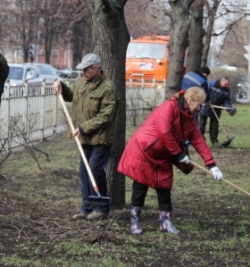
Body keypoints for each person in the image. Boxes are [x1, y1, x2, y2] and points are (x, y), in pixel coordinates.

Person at [117, 87, 223, 235]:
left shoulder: (188, 117)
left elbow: (198, 140)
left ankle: (165, 222)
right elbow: (164, 132)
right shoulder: (168, 108)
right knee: (140, 186)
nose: (199, 108)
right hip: (144, 151)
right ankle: (135, 221)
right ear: (190, 100)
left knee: (164, 186)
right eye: (198, 104)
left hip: (163, 154)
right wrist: (179, 154)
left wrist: (211, 164)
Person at [52, 53, 118, 220]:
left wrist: (83, 127)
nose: (83, 72)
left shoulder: (108, 88)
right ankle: (87, 208)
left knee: (94, 169)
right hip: (85, 139)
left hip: (101, 139)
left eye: (87, 69)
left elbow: (106, 116)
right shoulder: (82, 83)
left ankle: (101, 208)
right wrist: (61, 85)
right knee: (83, 172)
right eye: (82, 69)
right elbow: (70, 95)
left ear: (97, 68)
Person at [199, 76, 237, 146]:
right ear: (221, 81)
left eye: (228, 84)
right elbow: (204, 92)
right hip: (205, 107)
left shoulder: (226, 90)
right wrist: (206, 101)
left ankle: (214, 141)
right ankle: (200, 141)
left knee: (214, 127)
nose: (227, 86)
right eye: (226, 84)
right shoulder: (212, 84)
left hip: (216, 110)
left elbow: (227, 101)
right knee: (201, 126)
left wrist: (229, 108)